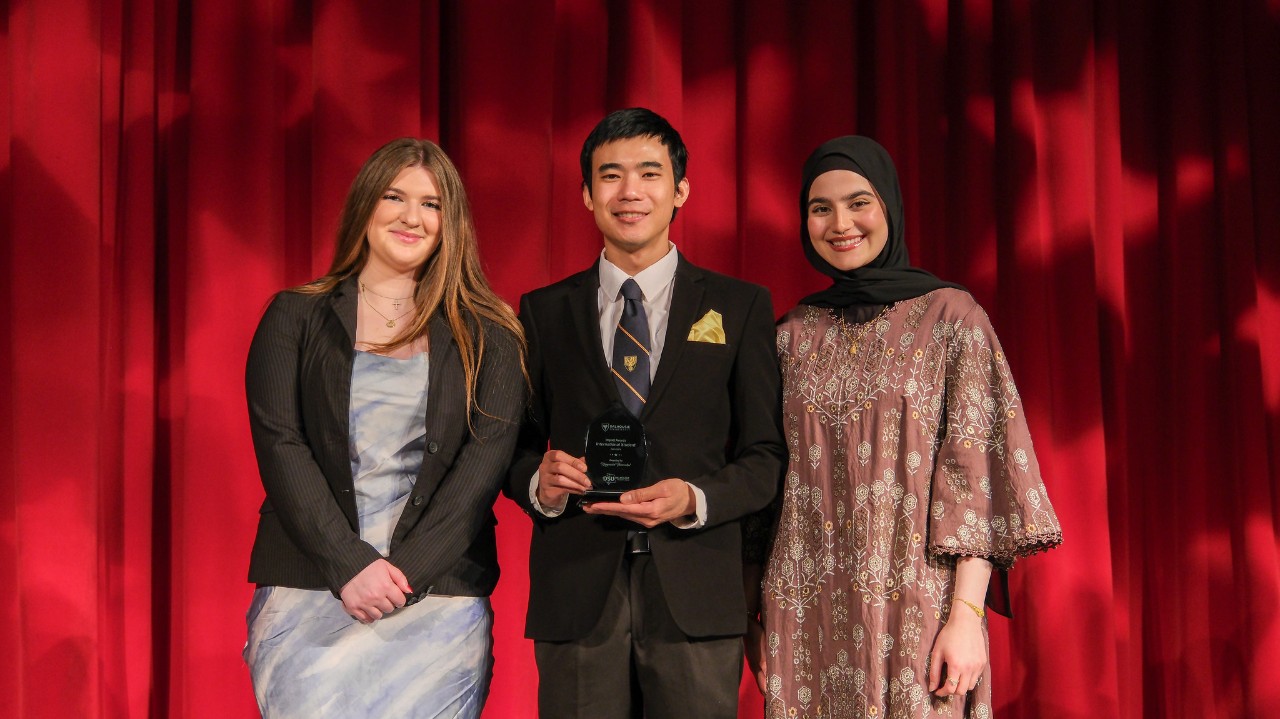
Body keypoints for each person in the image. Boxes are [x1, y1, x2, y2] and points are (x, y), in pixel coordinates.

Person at [745, 136, 1063, 718]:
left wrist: (966, 616)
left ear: (889, 205)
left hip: (920, 610)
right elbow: (763, 486)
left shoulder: (952, 318)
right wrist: (752, 616)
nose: (841, 224)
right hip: (804, 612)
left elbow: (977, 477)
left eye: (858, 203)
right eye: (820, 208)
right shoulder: (789, 335)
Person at [505, 107, 786, 718]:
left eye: (650, 173)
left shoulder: (740, 307)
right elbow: (513, 445)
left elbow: (765, 457)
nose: (630, 191)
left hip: (696, 589)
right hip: (577, 589)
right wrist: (538, 483)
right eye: (610, 175)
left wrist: (693, 498)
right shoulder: (542, 312)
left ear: (680, 190)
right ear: (587, 195)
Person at [242, 138, 526, 717]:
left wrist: (405, 575)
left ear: (451, 222)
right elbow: (281, 446)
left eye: (431, 203)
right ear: (365, 205)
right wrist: (350, 566)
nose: (411, 217)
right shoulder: (294, 315)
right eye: (395, 197)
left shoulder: (490, 333)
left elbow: (481, 470)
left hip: (438, 603)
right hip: (309, 592)